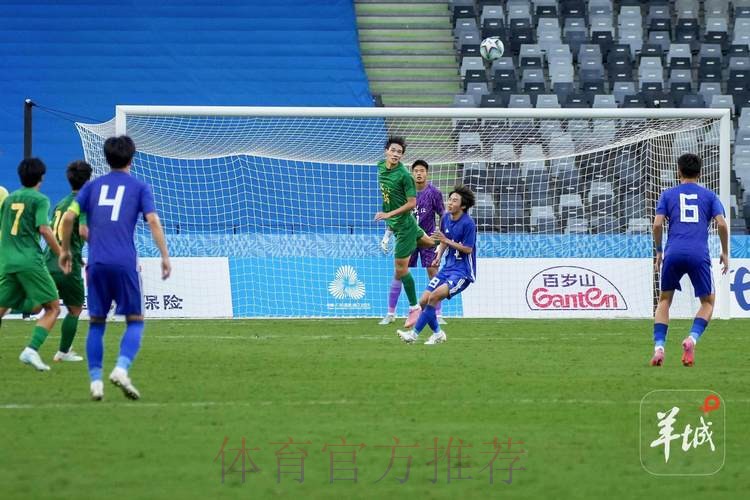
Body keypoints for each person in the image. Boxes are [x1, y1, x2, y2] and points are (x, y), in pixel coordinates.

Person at [59, 135, 171, 401]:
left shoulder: (91, 187)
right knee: (135, 321)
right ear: (131, 158)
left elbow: (69, 217)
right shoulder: (139, 187)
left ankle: (96, 382)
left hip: (96, 263)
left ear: (107, 158)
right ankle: (121, 368)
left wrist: (64, 250)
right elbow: (153, 221)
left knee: (96, 324)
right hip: (124, 263)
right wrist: (164, 255)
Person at [650, 153, 729, 367]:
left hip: (673, 252)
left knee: (664, 300)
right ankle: (691, 339)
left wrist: (659, 251)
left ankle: (659, 348)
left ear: (679, 171)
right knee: (708, 302)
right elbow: (722, 224)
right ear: (700, 173)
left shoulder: (667, 194)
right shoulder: (710, 196)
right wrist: (725, 252)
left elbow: (657, 225)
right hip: (698, 254)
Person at [0, 158, 62, 371]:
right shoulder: (40, 199)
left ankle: (21, 307)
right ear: (41, 177)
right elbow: (44, 229)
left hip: (7, 261)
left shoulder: (9, 199)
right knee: (53, 307)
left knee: (5, 308)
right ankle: (31, 350)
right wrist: (61, 254)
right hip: (29, 261)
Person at [397, 185, 476, 345]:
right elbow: (443, 240)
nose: (450, 203)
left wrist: (446, 241)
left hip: (462, 272)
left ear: (463, 206)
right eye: (450, 199)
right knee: (424, 300)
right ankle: (438, 334)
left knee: (434, 297)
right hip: (447, 268)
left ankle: (413, 335)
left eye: (455, 201)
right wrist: (438, 256)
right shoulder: (445, 218)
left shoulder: (468, 224)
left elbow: (468, 249)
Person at [375, 138, 440, 329]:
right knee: (432, 243)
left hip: (405, 228)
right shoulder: (380, 166)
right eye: (393, 150)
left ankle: (414, 308)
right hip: (402, 224)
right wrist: (388, 231)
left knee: (401, 269)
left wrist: (388, 215)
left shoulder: (404, 175)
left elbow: (412, 203)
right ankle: (451, 243)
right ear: (386, 151)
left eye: (399, 152)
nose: (396, 154)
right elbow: (389, 198)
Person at [44, 160, 93, 362]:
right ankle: (63, 352)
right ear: (88, 181)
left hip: (48, 261)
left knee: (46, 308)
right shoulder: (82, 203)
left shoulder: (61, 203)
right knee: (75, 308)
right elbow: (83, 232)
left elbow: (54, 231)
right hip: (67, 265)